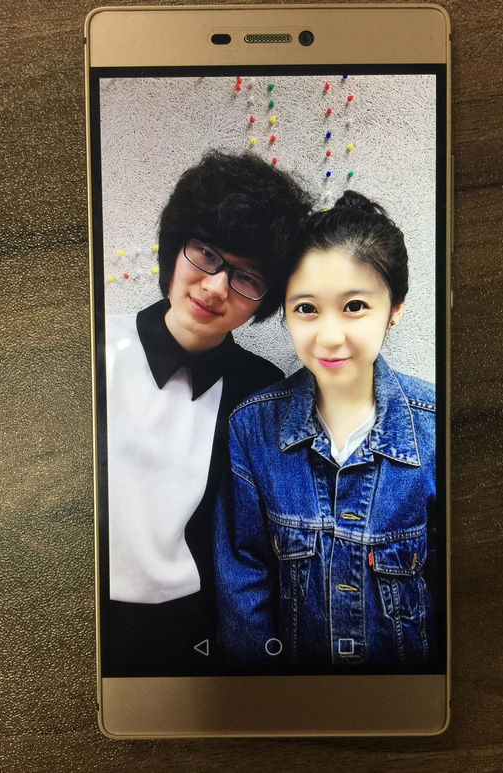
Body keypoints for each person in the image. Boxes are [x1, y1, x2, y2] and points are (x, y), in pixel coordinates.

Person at [103, 150, 312, 676]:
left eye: (247, 277)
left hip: (198, 637)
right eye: (206, 254)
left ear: (265, 299)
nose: (216, 287)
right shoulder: (94, 347)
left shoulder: (263, 393)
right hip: (83, 619)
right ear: (176, 246)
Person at [215, 191, 437, 670]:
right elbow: (244, 581)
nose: (330, 337)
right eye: (306, 309)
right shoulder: (252, 428)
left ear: (395, 308)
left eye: (355, 306)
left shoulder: (438, 426)